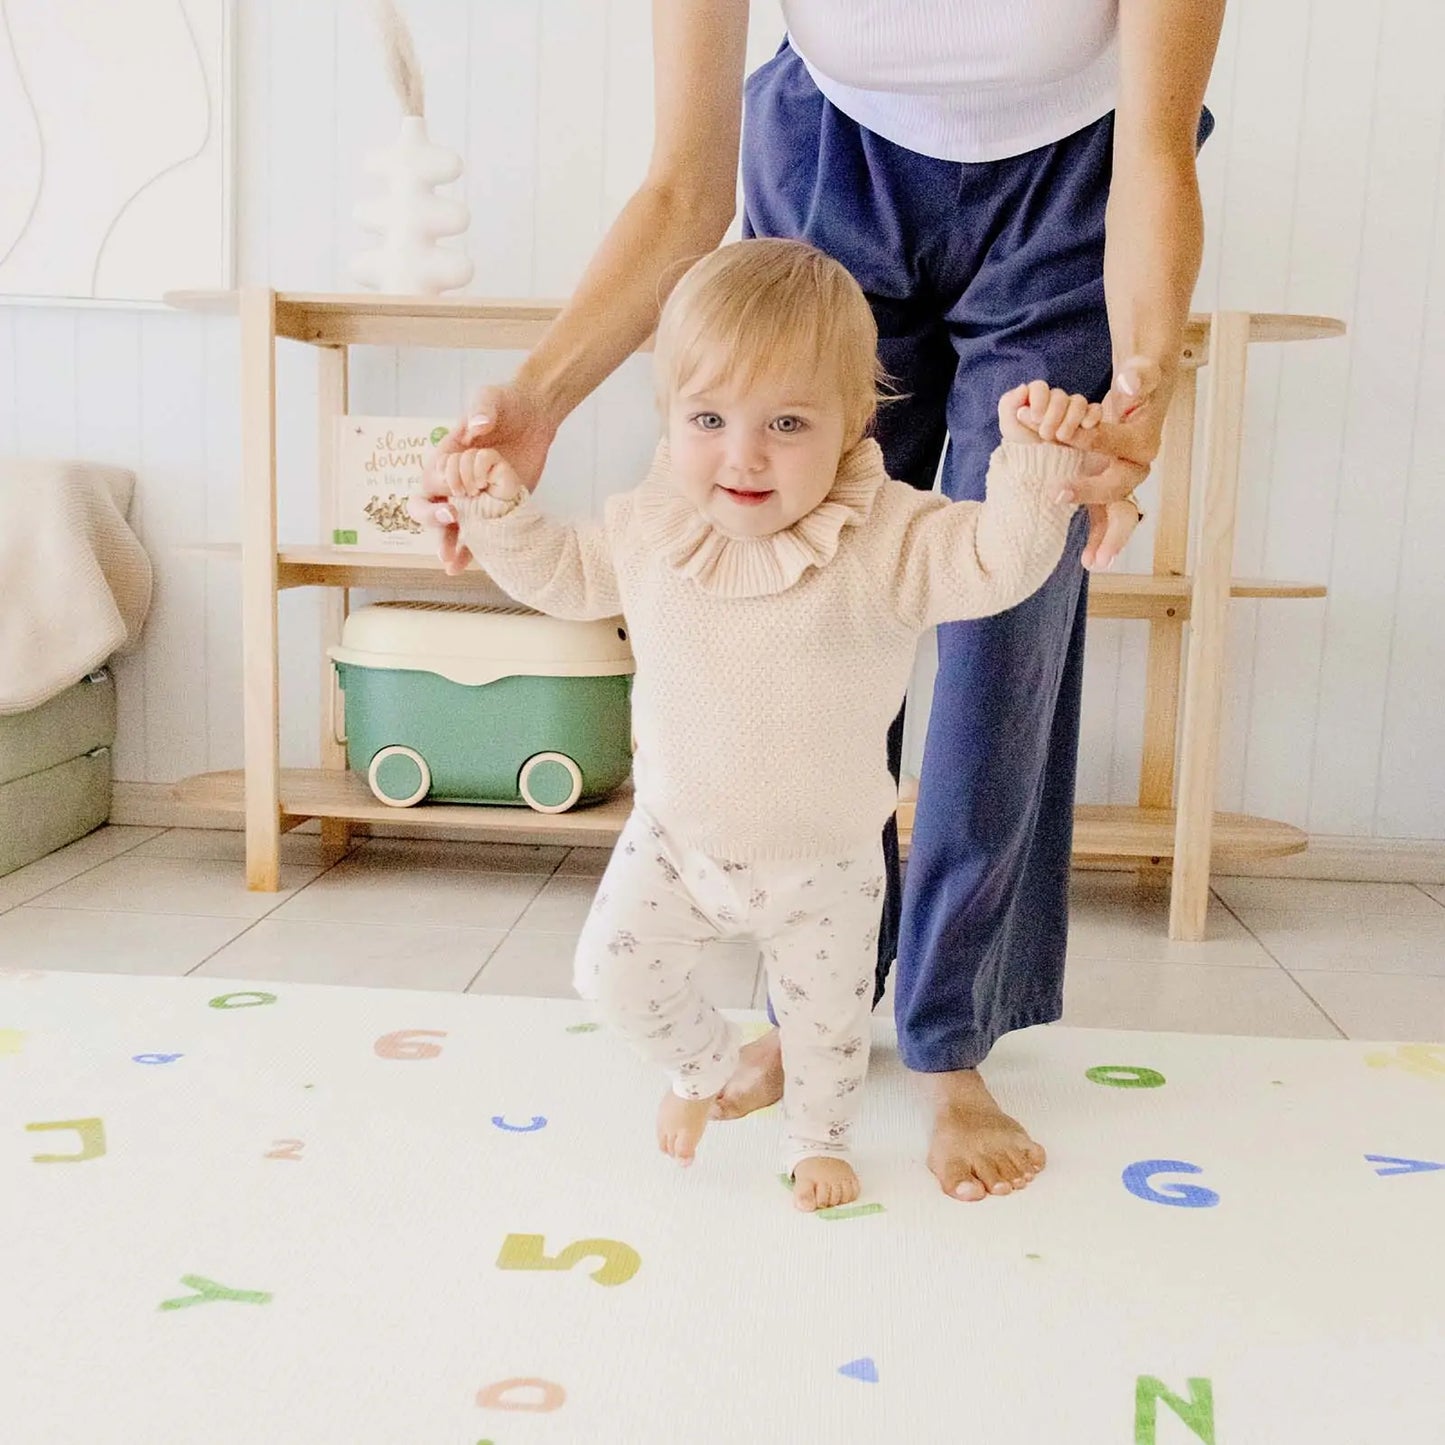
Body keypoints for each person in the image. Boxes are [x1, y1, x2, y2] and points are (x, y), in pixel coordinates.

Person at [430, 1, 1225, 1203]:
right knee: (784, 571)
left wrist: (1139, 390)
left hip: (1074, 186)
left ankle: (949, 1039)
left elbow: (1154, 155)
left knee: (1006, 602)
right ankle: (811, 1007)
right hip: (832, 170)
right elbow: (679, 189)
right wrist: (538, 398)